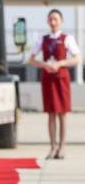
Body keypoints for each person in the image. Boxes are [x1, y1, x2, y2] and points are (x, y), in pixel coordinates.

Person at [28, 9, 80, 159]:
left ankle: (62, 147)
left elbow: (77, 58)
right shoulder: (43, 39)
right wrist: (44, 65)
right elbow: (31, 59)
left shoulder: (67, 38)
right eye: (51, 19)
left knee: (62, 114)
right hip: (48, 78)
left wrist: (62, 63)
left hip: (61, 78)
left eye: (55, 19)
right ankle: (52, 147)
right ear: (47, 21)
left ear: (61, 21)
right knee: (51, 114)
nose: (53, 22)